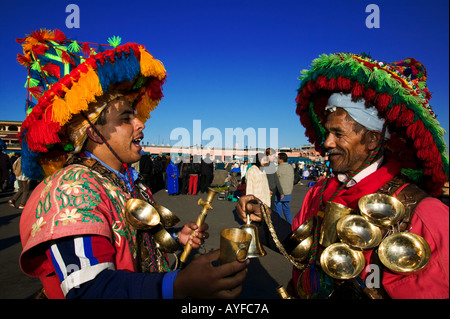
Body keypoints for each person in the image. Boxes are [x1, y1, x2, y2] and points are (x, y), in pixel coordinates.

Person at [17, 29, 248, 299]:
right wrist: (175, 286)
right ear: (94, 131)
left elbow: (136, 243)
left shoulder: (128, 180)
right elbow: (87, 290)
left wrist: (176, 237)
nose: (141, 124)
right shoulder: (71, 188)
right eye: (126, 118)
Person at [237, 53, 449, 299]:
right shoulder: (318, 191)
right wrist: (264, 218)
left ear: (372, 139)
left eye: (338, 134)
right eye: (328, 132)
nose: (326, 142)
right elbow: (303, 250)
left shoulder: (424, 214)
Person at [274, 152, 294, 224]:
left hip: (280, 192)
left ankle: (280, 225)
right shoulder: (290, 167)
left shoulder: (278, 168)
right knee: (287, 209)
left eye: (278, 158)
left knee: (278, 209)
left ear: (281, 160)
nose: (277, 160)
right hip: (288, 191)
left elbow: (275, 180)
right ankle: (289, 224)